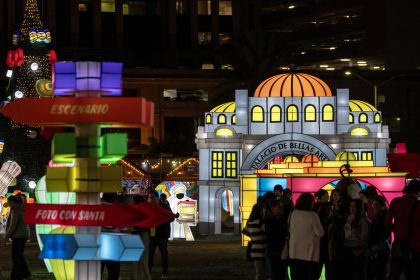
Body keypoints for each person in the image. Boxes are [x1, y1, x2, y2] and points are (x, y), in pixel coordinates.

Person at [385, 179, 420, 280]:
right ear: (417, 192)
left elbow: (387, 223)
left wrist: (396, 229)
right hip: (416, 248)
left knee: (395, 273)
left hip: (399, 246)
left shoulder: (396, 202)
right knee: (413, 274)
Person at [288, 192, 324, 280]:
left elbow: (289, 229)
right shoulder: (312, 215)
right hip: (309, 255)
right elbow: (320, 233)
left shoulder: (293, 213)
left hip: (294, 253)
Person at [149, 192, 175, 280]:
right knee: (150, 255)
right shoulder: (148, 208)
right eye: (149, 197)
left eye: (151, 197)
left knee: (163, 254)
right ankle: (148, 273)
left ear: (156, 198)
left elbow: (171, 218)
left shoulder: (164, 206)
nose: (150, 199)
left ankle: (164, 272)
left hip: (162, 234)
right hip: (152, 235)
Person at [5, 195, 31, 280]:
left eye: (9, 201)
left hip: (18, 236)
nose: (8, 203)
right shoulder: (21, 208)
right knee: (19, 255)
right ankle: (25, 273)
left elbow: (13, 225)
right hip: (23, 235)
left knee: (15, 256)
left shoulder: (15, 210)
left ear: (12, 202)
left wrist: (6, 236)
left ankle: (16, 275)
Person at [343, 199, 368, 280]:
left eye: (354, 206)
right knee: (349, 273)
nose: (352, 208)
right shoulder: (349, 217)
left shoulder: (362, 219)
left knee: (358, 273)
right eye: (350, 206)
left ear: (359, 208)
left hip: (358, 249)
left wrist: (354, 232)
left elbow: (364, 235)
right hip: (348, 248)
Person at [367, 195, 390, 280]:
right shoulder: (381, 215)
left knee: (378, 272)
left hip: (379, 248)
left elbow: (379, 232)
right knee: (379, 272)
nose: (373, 206)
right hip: (380, 247)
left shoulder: (381, 216)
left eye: (374, 204)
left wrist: (370, 242)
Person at [327, 189, 349, 280]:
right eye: (334, 194)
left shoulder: (344, 207)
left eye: (338, 195)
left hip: (340, 234)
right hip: (329, 234)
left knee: (338, 255)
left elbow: (344, 220)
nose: (336, 196)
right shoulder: (328, 206)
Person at [265, 199, 288, 280]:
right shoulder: (270, 221)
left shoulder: (281, 219)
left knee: (281, 273)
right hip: (274, 250)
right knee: (276, 273)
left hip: (278, 250)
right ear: (272, 208)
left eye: (282, 207)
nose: (282, 209)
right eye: (279, 207)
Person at [132, 195, 151, 280]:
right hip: (142, 235)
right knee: (143, 261)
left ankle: (140, 277)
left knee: (138, 261)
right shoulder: (145, 209)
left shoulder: (134, 209)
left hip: (138, 235)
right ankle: (145, 277)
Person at [313, 189, 331, 280]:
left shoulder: (314, 207)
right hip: (326, 238)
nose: (328, 196)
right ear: (322, 196)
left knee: (318, 264)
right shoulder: (328, 206)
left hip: (317, 239)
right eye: (326, 194)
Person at [246, 203, 267, 280]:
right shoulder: (260, 222)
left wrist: (254, 236)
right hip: (262, 250)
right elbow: (268, 232)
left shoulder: (250, 222)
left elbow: (245, 231)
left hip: (254, 249)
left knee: (258, 272)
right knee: (261, 274)